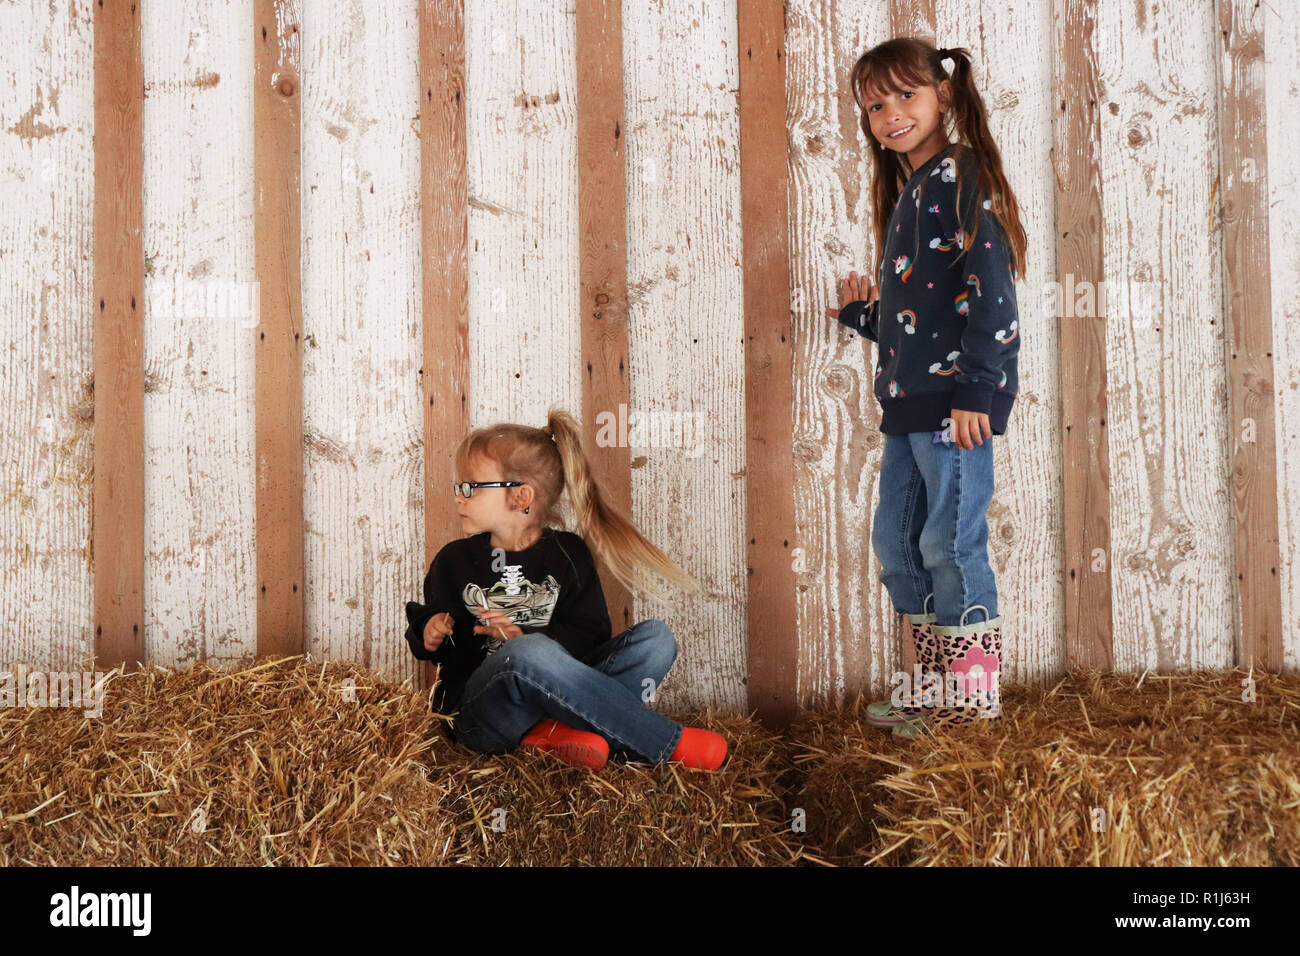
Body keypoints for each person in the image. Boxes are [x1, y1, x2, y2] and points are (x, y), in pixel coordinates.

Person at [825, 39, 1027, 737]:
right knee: (899, 544)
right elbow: (924, 321)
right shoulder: (912, 190)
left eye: (904, 96)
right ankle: (924, 690)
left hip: (955, 408)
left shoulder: (962, 174)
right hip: (907, 408)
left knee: (950, 543)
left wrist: (978, 390)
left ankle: (969, 706)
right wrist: (864, 317)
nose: (889, 114)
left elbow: (992, 293)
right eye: (875, 105)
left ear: (944, 94)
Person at [404, 406, 727, 770]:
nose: (459, 496)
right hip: (484, 717)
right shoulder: (454, 560)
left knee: (657, 640)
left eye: (470, 487)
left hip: (556, 698)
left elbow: (591, 635)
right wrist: (428, 630)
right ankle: (664, 743)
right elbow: (433, 633)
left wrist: (524, 635)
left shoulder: (568, 554)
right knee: (528, 653)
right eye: (458, 487)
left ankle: (552, 734)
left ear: (520, 498)